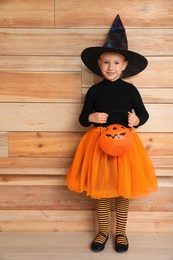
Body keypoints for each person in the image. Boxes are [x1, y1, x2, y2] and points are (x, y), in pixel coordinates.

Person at [66, 15, 158, 253]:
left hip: (126, 146)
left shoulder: (130, 90)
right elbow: (81, 118)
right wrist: (91, 118)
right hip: (98, 146)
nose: (111, 68)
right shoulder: (94, 91)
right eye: (106, 63)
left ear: (125, 65)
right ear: (99, 64)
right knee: (102, 191)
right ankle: (103, 231)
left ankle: (121, 234)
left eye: (116, 63)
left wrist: (137, 120)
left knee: (123, 191)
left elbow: (144, 115)